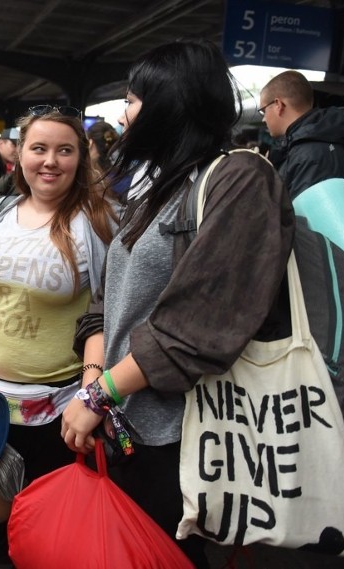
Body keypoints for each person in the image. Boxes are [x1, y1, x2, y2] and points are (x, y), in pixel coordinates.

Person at [61, 39, 295, 568]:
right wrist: (94, 381)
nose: (124, 115)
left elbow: (198, 323)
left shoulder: (240, 178)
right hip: (128, 422)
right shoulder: (160, 187)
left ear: (172, 101)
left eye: (132, 99)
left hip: (182, 436)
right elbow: (108, 301)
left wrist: (98, 396)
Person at [0, 106, 116, 568]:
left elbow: (109, 311)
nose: (50, 161)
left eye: (64, 150)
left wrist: (95, 392)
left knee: (47, 493)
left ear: (81, 158)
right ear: (19, 155)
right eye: (39, 148)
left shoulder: (96, 221)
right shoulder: (0, 211)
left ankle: (35, 553)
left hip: (56, 402)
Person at [259, 69, 344, 198]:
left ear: (278, 105)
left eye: (263, 111)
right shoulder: (319, 141)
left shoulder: (309, 154)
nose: (264, 119)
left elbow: (298, 216)